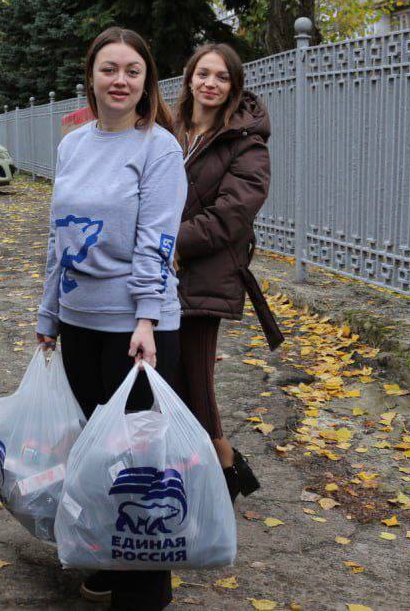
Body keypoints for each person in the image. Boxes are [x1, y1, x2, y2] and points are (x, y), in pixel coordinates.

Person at [36, 27, 187, 610]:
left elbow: (158, 239)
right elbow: (58, 238)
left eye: (131, 70)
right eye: (109, 69)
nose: (119, 80)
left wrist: (146, 319)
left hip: (137, 330)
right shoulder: (72, 145)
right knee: (94, 451)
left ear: (147, 81)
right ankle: (107, 559)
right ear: (91, 75)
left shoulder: (159, 148)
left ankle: (146, 587)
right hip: (78, 322)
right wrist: (49, 311)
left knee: (140, 459)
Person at [172, 43, 271, 500]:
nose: (210, 83)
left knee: (196, 380)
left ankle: (226, 466)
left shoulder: (246, 143)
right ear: (189, 77)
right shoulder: (168, 130)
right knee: (165, 376)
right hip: (157, 272)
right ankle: (196, 470)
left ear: (234, 86)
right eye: (203, 73)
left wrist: (172, 240)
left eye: (222, 77)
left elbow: (234, 214)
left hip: (205, 273)